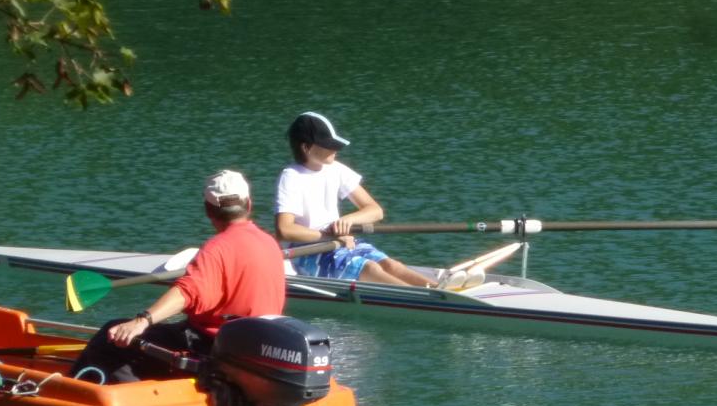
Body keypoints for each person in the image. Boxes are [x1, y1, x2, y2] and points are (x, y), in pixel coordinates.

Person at [70, 169, 286, 384]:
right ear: (248, 204)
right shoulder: (270, 244)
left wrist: (141, 320)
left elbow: (187, 292)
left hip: (211, 348)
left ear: (208, 210)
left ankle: (89, 396)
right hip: (256, 349)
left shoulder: (217, 249)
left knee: (110, 336)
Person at [274, 112, 480, 290]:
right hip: (309, 252)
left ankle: (438, 289)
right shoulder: (291, 176)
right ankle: (430, 300)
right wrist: (327, 234)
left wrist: (350, 220)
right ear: (306, 148)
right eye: (328, 145)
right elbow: (285, 230)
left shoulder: (336, 169)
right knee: (370, 268)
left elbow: (375, 210)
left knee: (390, 265)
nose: (335, 149)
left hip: (341, 243)